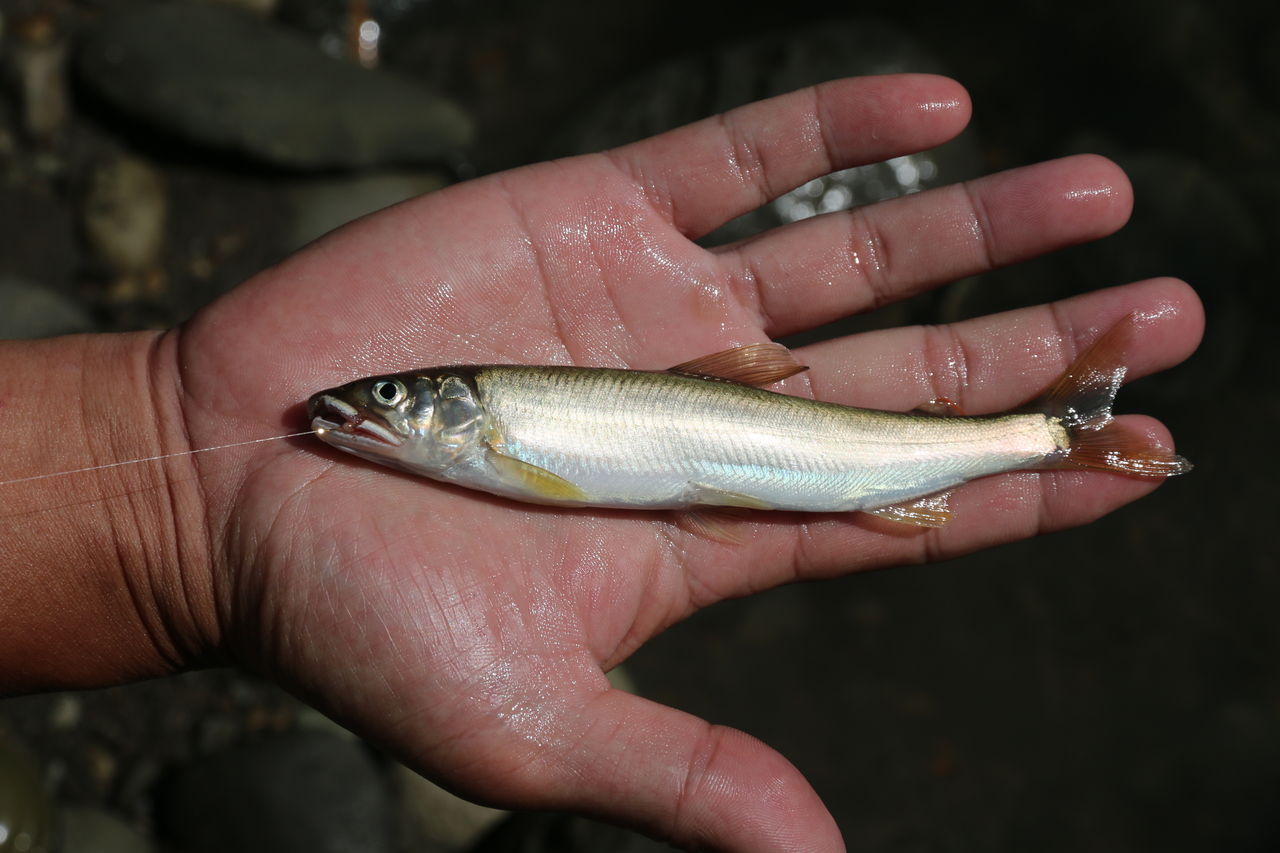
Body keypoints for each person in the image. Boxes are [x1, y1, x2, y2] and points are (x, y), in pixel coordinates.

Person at [0, 74, 1201, 851]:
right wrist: (179, 483)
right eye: (390, 405)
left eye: (395, 404)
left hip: (831, 452)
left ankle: (1053, 429)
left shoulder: (485, 441)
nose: (371, 416)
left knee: (983, 441)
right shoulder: (458, 449)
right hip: (790, 451)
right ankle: (1056, 432)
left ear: (453, 416)